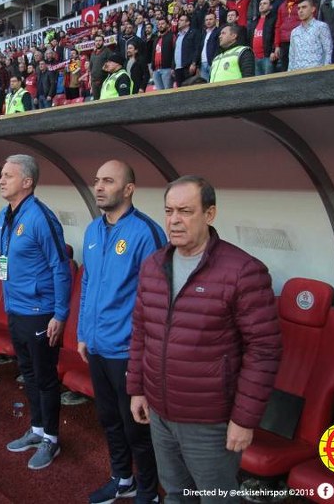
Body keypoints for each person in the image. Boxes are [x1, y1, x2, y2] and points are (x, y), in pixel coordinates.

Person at [127, 176, 282, 503]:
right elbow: (142, 331)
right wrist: (138, 388)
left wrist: (243, 419)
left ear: (210, 214)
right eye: (169, 211)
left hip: (209, 420)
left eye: (185, 211)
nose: (174, 220)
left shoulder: (243, 271)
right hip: (160, 412)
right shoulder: (153, 266)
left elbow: (264, 350)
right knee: (175, 493)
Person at [79, 161, 165, 504]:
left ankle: (148, 490)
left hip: (129, 350)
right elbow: (86, 284)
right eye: (97, 180)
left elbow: (157, 299)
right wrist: (84, 333)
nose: (99, 186)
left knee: (136, 428)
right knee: (108, 419)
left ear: (128, 189)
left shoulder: (146, 232)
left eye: (108, 181)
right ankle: (122, 478)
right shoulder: (91, 231)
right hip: (97, 345)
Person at [0, 154, 72, 470]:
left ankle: (51, 440)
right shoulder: (6, 214)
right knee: (28, 375)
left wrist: (59, 313)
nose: (1, 180)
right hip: (15, 309)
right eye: (1, 175)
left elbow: (61, 266)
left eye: (8, 176)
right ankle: (38, 428)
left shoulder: (42, 217)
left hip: (40, 312)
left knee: (45, 378)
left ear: (27, 182)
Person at [289, 0, 333, 70]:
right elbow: (292, 57)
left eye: (304, 7)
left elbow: (328, 51)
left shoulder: (321, 27)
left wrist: (326, 70)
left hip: (317, 73)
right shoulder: (294, 32)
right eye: (298, 8)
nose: (300, 11)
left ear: (313, 9)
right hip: (297, 74)